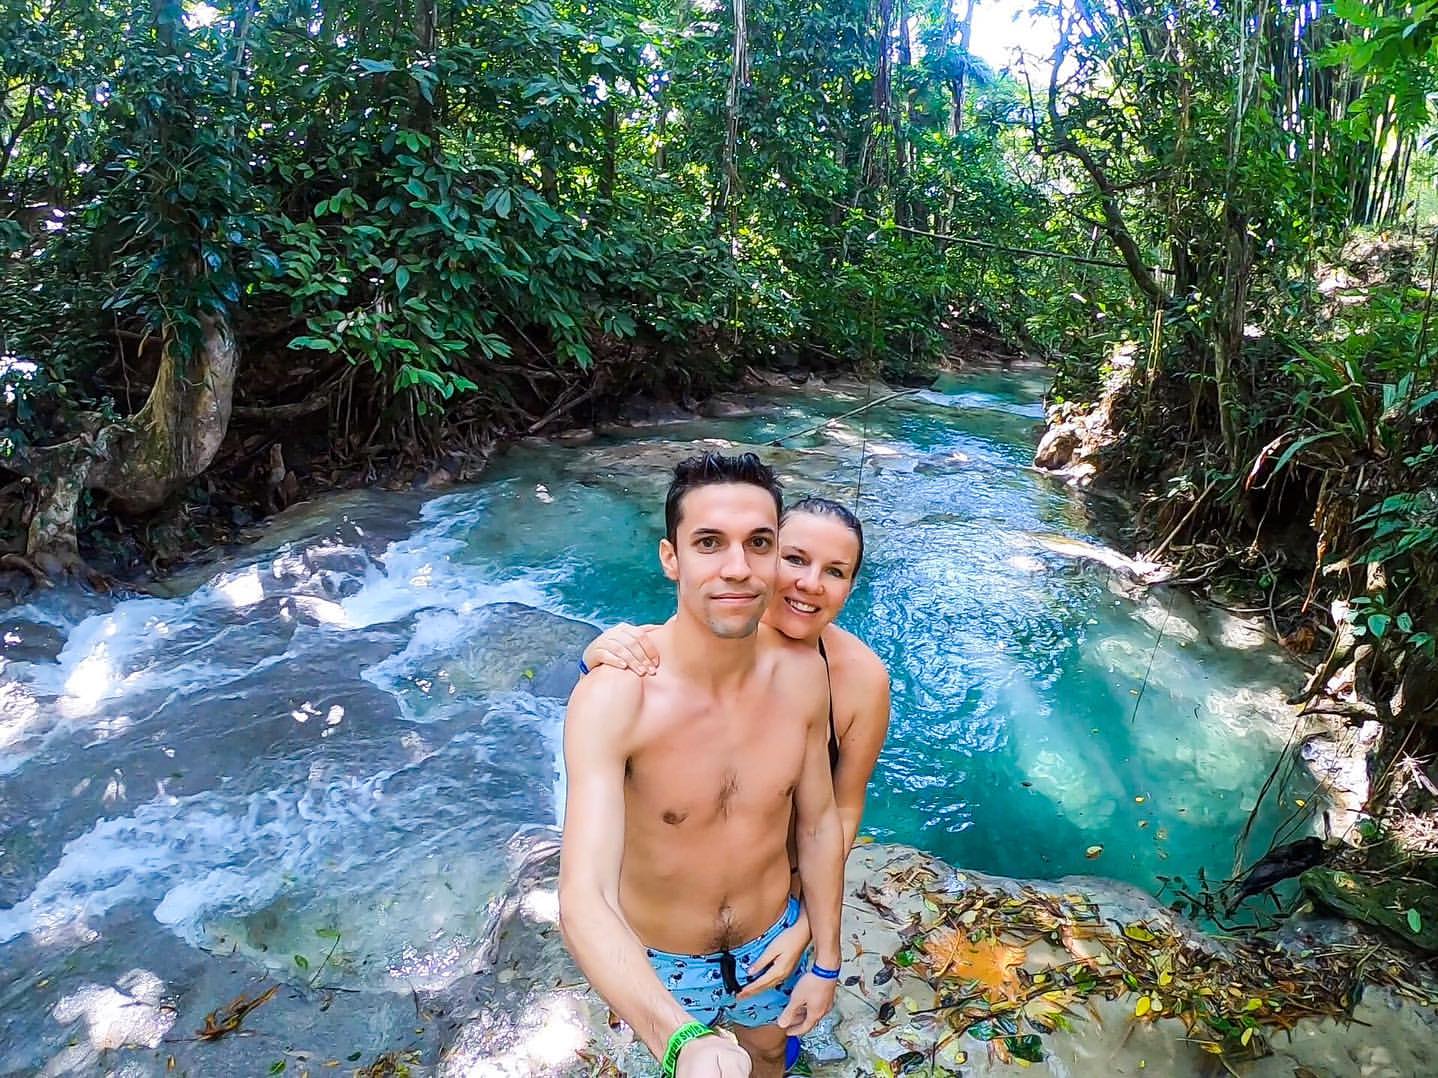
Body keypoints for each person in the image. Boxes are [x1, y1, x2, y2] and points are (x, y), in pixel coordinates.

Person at [558, 453, 847, 1078]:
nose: (738, 569)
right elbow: (583, 896)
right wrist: (680, 1038)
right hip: (661, 958)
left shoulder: (802, 676)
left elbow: (819, 824)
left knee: (769, 1051)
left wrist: (826, 956)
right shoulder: (617, 694)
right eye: (709, 543)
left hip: (773, 938)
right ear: (672, 558)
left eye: (760, 544)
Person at [582, 497, 891, 1014]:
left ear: (850, 586)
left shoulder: (861, 680)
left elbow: (840, 809)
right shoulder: (710, 634)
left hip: (781, 908)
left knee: (772, 1047)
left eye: (834, 571)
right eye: (794, 559)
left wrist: (810, 930)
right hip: (671, 922)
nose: (810, 583)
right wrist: (596, 656)